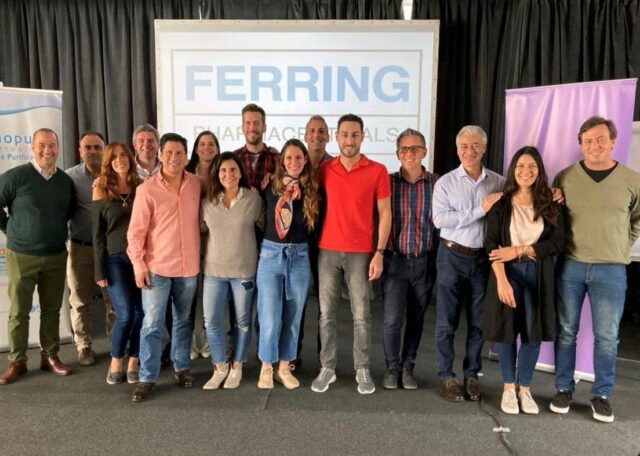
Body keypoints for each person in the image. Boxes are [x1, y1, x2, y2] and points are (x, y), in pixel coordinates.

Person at [551, 116, 640, 423]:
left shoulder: (631, 180)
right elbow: (555, 217)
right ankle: (563, 388)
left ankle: (601, 395)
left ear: (613, 141)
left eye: (601, 139)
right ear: (581, 144)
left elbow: (637, 219)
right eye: (588, 141)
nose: (595, 145)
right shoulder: (565, 177)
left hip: (611, 270)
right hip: (571, 265)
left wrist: (621, 243)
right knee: (566, 331)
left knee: (607, 336)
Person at [311, 114, 392, 395]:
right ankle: (327, 367)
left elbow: (385, 213)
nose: (349, 140)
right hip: (327, 251)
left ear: (362, 137)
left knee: (361, 315)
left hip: (361, 253)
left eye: (354, 135)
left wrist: (379, 252)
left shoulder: (377, 170)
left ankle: (362, 368)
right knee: (326, 315)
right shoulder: (325, 169)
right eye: (344, 135)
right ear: (337, 137)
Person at [484, 146, 564, 415]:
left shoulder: (551, 204)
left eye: (531, 166)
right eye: (520, 166)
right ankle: (509, 387)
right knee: (506, 332)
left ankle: (525, 388)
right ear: (512, 170)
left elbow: (557, 243)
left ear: (539, 170)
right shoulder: (501, 205)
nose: (525, 171)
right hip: (507, 274)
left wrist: (519, 250)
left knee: (533, 332)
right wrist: (501, 281)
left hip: (539, 274)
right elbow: (491, 246)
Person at [432, 125, 505, 402]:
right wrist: (480, 209)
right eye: (464, 146)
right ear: (457, 149)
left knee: (478, 322)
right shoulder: (445, 183)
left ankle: (472, 374)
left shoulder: (499, 183)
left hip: (483, 260)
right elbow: (441, 220)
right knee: (446, 322)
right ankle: (446, 376)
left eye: (475, 146)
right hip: (451, 256)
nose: (469, 151)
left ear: (484, 148)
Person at [126, 133, 201, 402]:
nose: (174, 157)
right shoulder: (146, 190)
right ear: (160, 155)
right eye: (169, 152)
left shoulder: (196, 184)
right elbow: (135, 233)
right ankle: (147, 376)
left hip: (188, 267)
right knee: (152, 324)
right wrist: (138, 266)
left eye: (179, 153)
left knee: (183, 320)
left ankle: (181, 367)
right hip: (156, 267)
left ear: (186, 157)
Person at [0, 128, 75, 385]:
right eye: (42, 145)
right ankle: (17, 361)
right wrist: (11, 230)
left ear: (58, 148)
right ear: (32, 147)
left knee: (52, 310)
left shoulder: (64, 182)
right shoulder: (16, 177)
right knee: (19, 312)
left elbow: (67, 213)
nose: (47, 150)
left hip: (55, 255)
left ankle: (50, 356)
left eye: (52, 145)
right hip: (21, 255)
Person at [256, 139, 319, 389]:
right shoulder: (269, 186)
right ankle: (266, 365)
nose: (294, 162)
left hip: (299, 257)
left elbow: (315, 230)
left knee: (293, 317)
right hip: (270, 255)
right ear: (282, 160)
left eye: (299, 157)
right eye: (289, 157)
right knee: (269, 316)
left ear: (305, 160)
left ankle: (284, 365)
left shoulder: (312, 190)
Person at [200, 152, 263, 390]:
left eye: (233, 169)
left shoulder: (253, 200)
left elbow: (265, 227)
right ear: (217, 174)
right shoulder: (207, 201)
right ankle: (219, 366)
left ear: (240, 172)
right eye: (224, 170)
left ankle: (237, 365)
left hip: (244, 271)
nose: (229, 174)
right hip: (213, 271)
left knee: (243, 321)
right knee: (211, 321)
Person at [381, 128, 438, 390]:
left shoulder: (437, 184)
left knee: (416, 319)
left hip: (424, 261)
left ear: (424, 152)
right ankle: (392, 367)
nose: (409, 153)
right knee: (392, 319)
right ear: (397, 154)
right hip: (395, 261)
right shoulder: (387, 183)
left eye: (415, 148)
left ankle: (408, 366)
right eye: (404, 149)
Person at [93, 142, 144, 385]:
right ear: (108, 162)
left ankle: (134, 360)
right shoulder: (100, 188)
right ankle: (116, 360)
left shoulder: (141, 186)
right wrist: (99, 269)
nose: (120, 160)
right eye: (114, 157)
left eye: (124, 155)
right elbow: (97, 234)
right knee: (125, 314)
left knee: (143, 313)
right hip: (114, 260)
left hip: (140, 259)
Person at [66, 131, 115, 366]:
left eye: (97, 147)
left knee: (113, 300)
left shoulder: (115, 174)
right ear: (80, 150)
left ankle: (117, 343)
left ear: (105, 150)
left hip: (110, 250)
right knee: (80, 300)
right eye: (88, 147)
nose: (93, 151)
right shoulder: (70, 178)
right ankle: (83, 346)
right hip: (80, 248)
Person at [294, 114, 332, 369]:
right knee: (296, 301)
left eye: (321, 131)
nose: (317, 135)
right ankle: (292, 354)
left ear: (328, 136)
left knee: (325, 306)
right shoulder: (296, 163)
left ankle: (324, 358)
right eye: (312, 131)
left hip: (328, 241)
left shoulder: (336, 166)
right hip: (298, 241)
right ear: (306, 135)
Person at [185, 130, 220, 360]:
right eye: (202, 144)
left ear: (217, 149)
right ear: (196, 149)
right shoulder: (185, 174)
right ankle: (188, 339)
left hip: (215, 241)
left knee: (211, 294)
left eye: (211, 144)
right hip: (188, 239)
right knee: (188, 293)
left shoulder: (223, 172)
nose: (207, 148)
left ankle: (207, 338)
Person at [233, 103, 279, 190]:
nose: (252, 127)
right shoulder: (234, 157)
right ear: (242, 128)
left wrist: (274, 177)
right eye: (248, 123)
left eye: (256, 123)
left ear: (264, 127)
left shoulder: (276, 157)